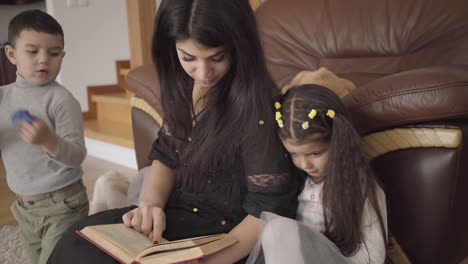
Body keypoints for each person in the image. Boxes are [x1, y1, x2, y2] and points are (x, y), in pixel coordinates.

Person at [47, 0, 299, 263]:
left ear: (240, 46)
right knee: (77, 241)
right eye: (188, 57)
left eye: (217, 57)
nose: (203, 73)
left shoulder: (260, 110)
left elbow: (267, 213)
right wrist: (151, 205)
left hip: (225, 237)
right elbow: (167, 155)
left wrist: (205, 262)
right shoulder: (182, 85)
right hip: (174, 216)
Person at [247, 84, 388, 264]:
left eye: (315, 154)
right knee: (276, 228)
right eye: (294, 154)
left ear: (338, 142)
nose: (304, 164)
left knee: (278, 228)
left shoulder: (360, 187)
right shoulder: (296, 179)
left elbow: (373, 257)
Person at [0, 10, 89, 264]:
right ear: (11, 54)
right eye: (32, 51)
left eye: (54, 53)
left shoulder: (61, 101)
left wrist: (49, 140)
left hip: (63, 204)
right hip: (24, 208)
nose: (43, 60)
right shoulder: (3, 97)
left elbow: (77, 155)